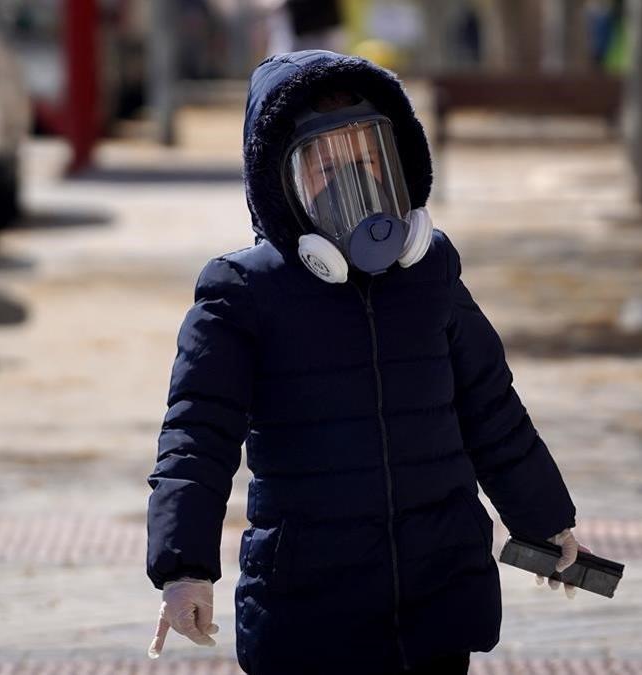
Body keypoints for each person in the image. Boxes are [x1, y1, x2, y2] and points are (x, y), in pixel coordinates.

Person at [144, 50, 588, 674]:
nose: (348, 179)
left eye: (365, 158)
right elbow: (196, 437)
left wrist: (546, 523)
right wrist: (184, 568)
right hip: (310, 608)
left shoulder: (430, 272)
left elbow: (492, 409)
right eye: (322, 165)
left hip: (439, 593)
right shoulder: (243, 294)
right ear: (278, 181)